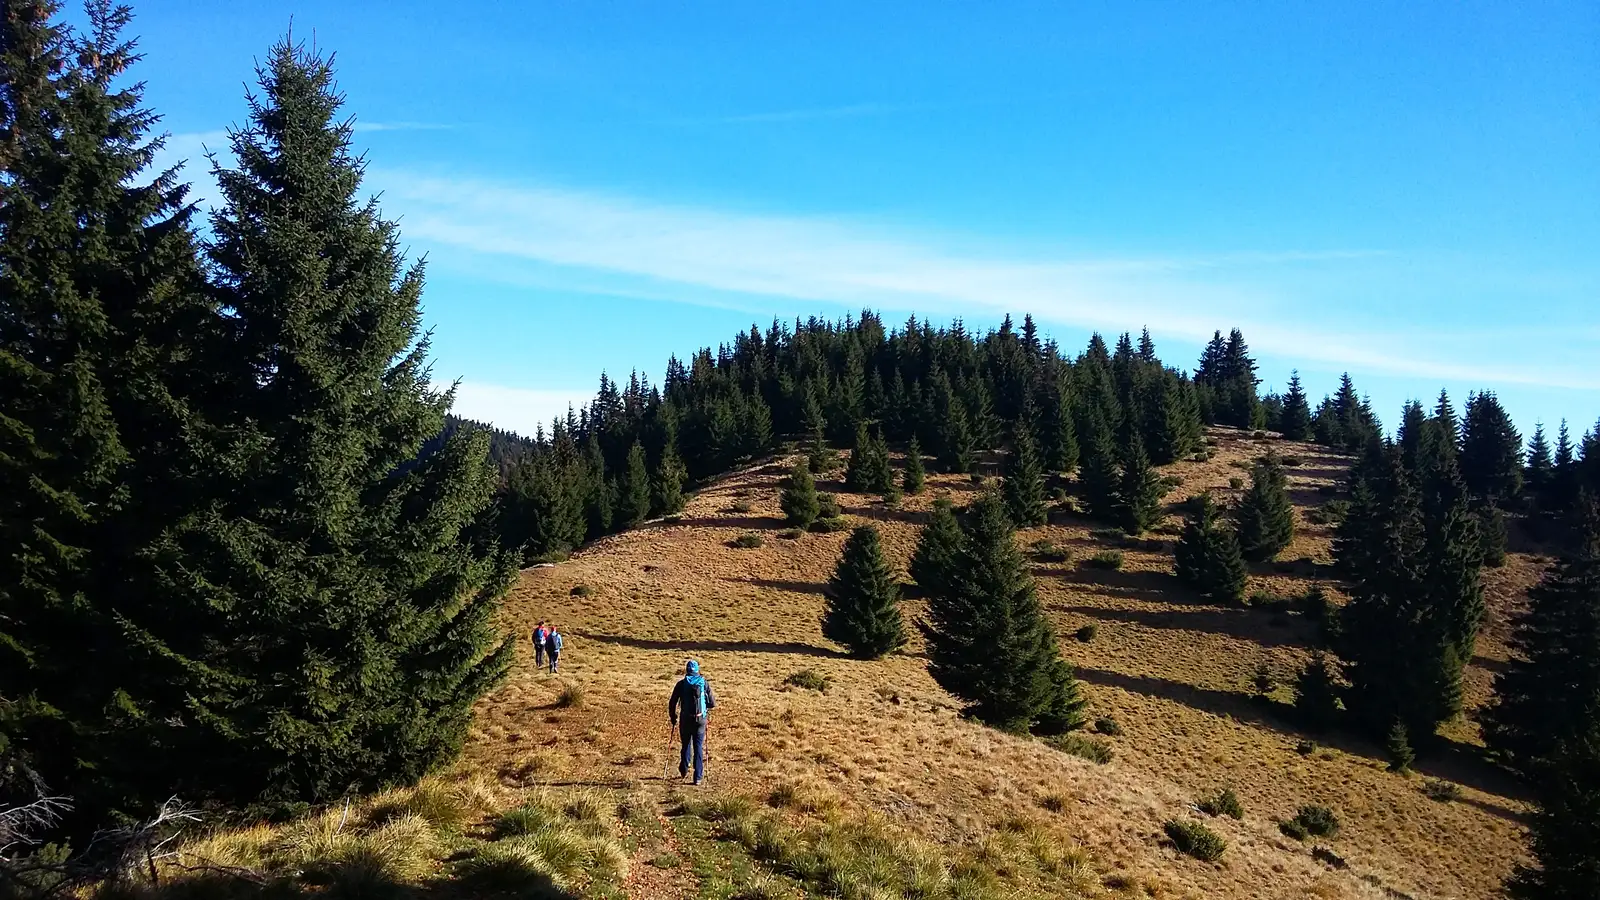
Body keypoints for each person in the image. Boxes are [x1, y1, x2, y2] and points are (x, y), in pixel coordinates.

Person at [668, 659, 716, 785]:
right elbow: (712, 703)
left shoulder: (681, 684)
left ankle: (684, 768)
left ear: (687, 670)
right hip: (700, 719)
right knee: (698, 746)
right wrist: (705, 707)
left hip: (685, 719)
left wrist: (673, 717)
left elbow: (672, 702)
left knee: (686, 744)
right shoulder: (704, 682)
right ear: (697, 670)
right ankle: (698, 777)